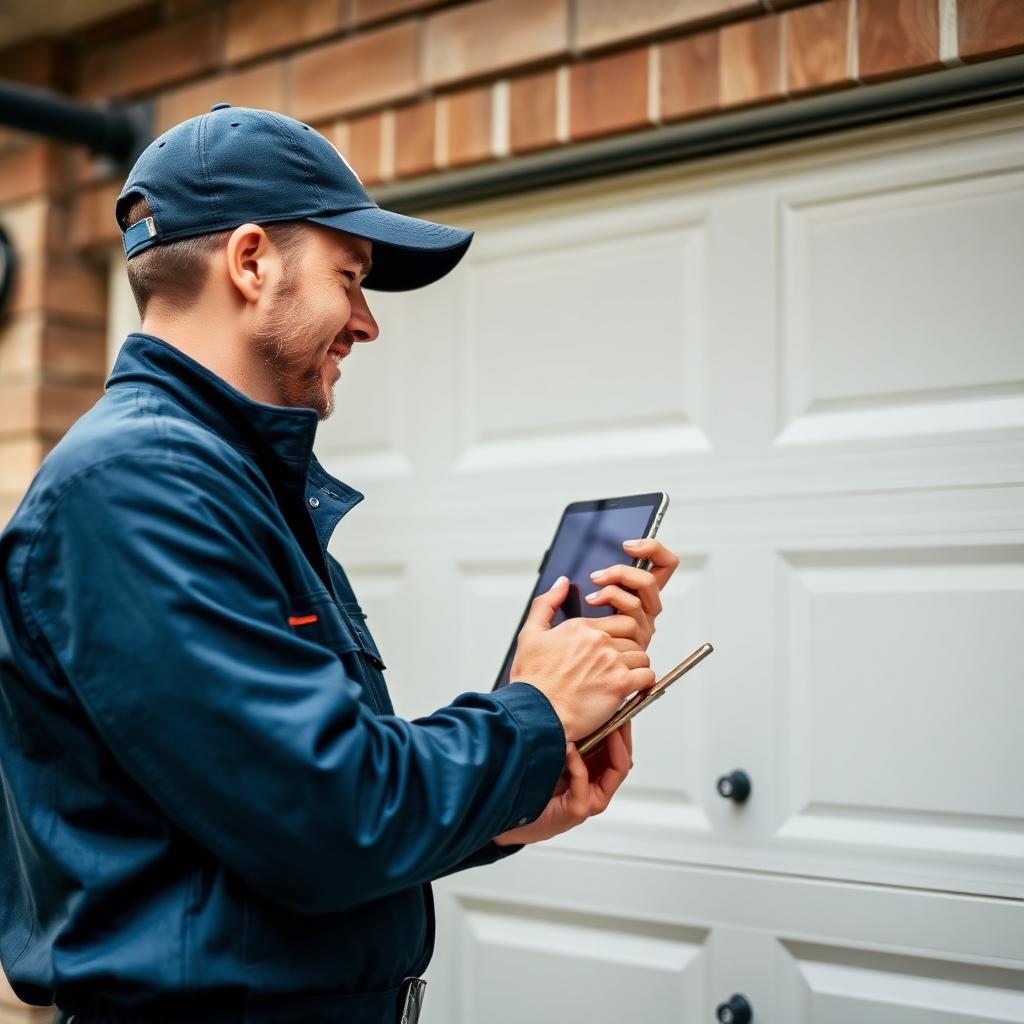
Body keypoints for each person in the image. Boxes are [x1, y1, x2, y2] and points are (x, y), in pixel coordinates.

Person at [0, 106, 679, 1024]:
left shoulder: (228, 481)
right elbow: (324, 817)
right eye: (349, 278)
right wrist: (535, 714)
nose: (366, 322)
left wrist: (523, 792)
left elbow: (310, 810)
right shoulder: (140, 484)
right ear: (250, 261)